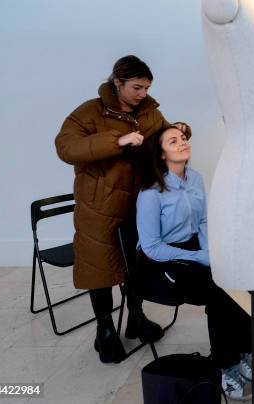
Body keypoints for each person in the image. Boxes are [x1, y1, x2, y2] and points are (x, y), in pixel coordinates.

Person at [55, 55, 171, 364]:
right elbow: (66, 148)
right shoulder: (89, 112)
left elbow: (165, 137)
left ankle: (135, 318)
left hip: (139, 203)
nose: (142, 94)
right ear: (117, 82)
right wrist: (116, 140)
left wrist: (177, 134)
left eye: (146, 88)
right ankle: (104, 331)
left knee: (137, 264)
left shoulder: (149, 112)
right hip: (99, 205)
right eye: (136, 87)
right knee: (100, 268)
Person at [136, 124, 254, 401]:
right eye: (173, 141)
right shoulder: (151, 193)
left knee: (237, 278)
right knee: (219, 292)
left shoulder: (195, 178)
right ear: (161, 154)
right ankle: (224, 367)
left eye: (183, 139)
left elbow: (203, 221)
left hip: (192, 248)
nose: (182, 143)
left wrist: (209, 251)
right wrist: (198, 257)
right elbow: (152, 247)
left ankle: (244, 352)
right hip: (159, 263)